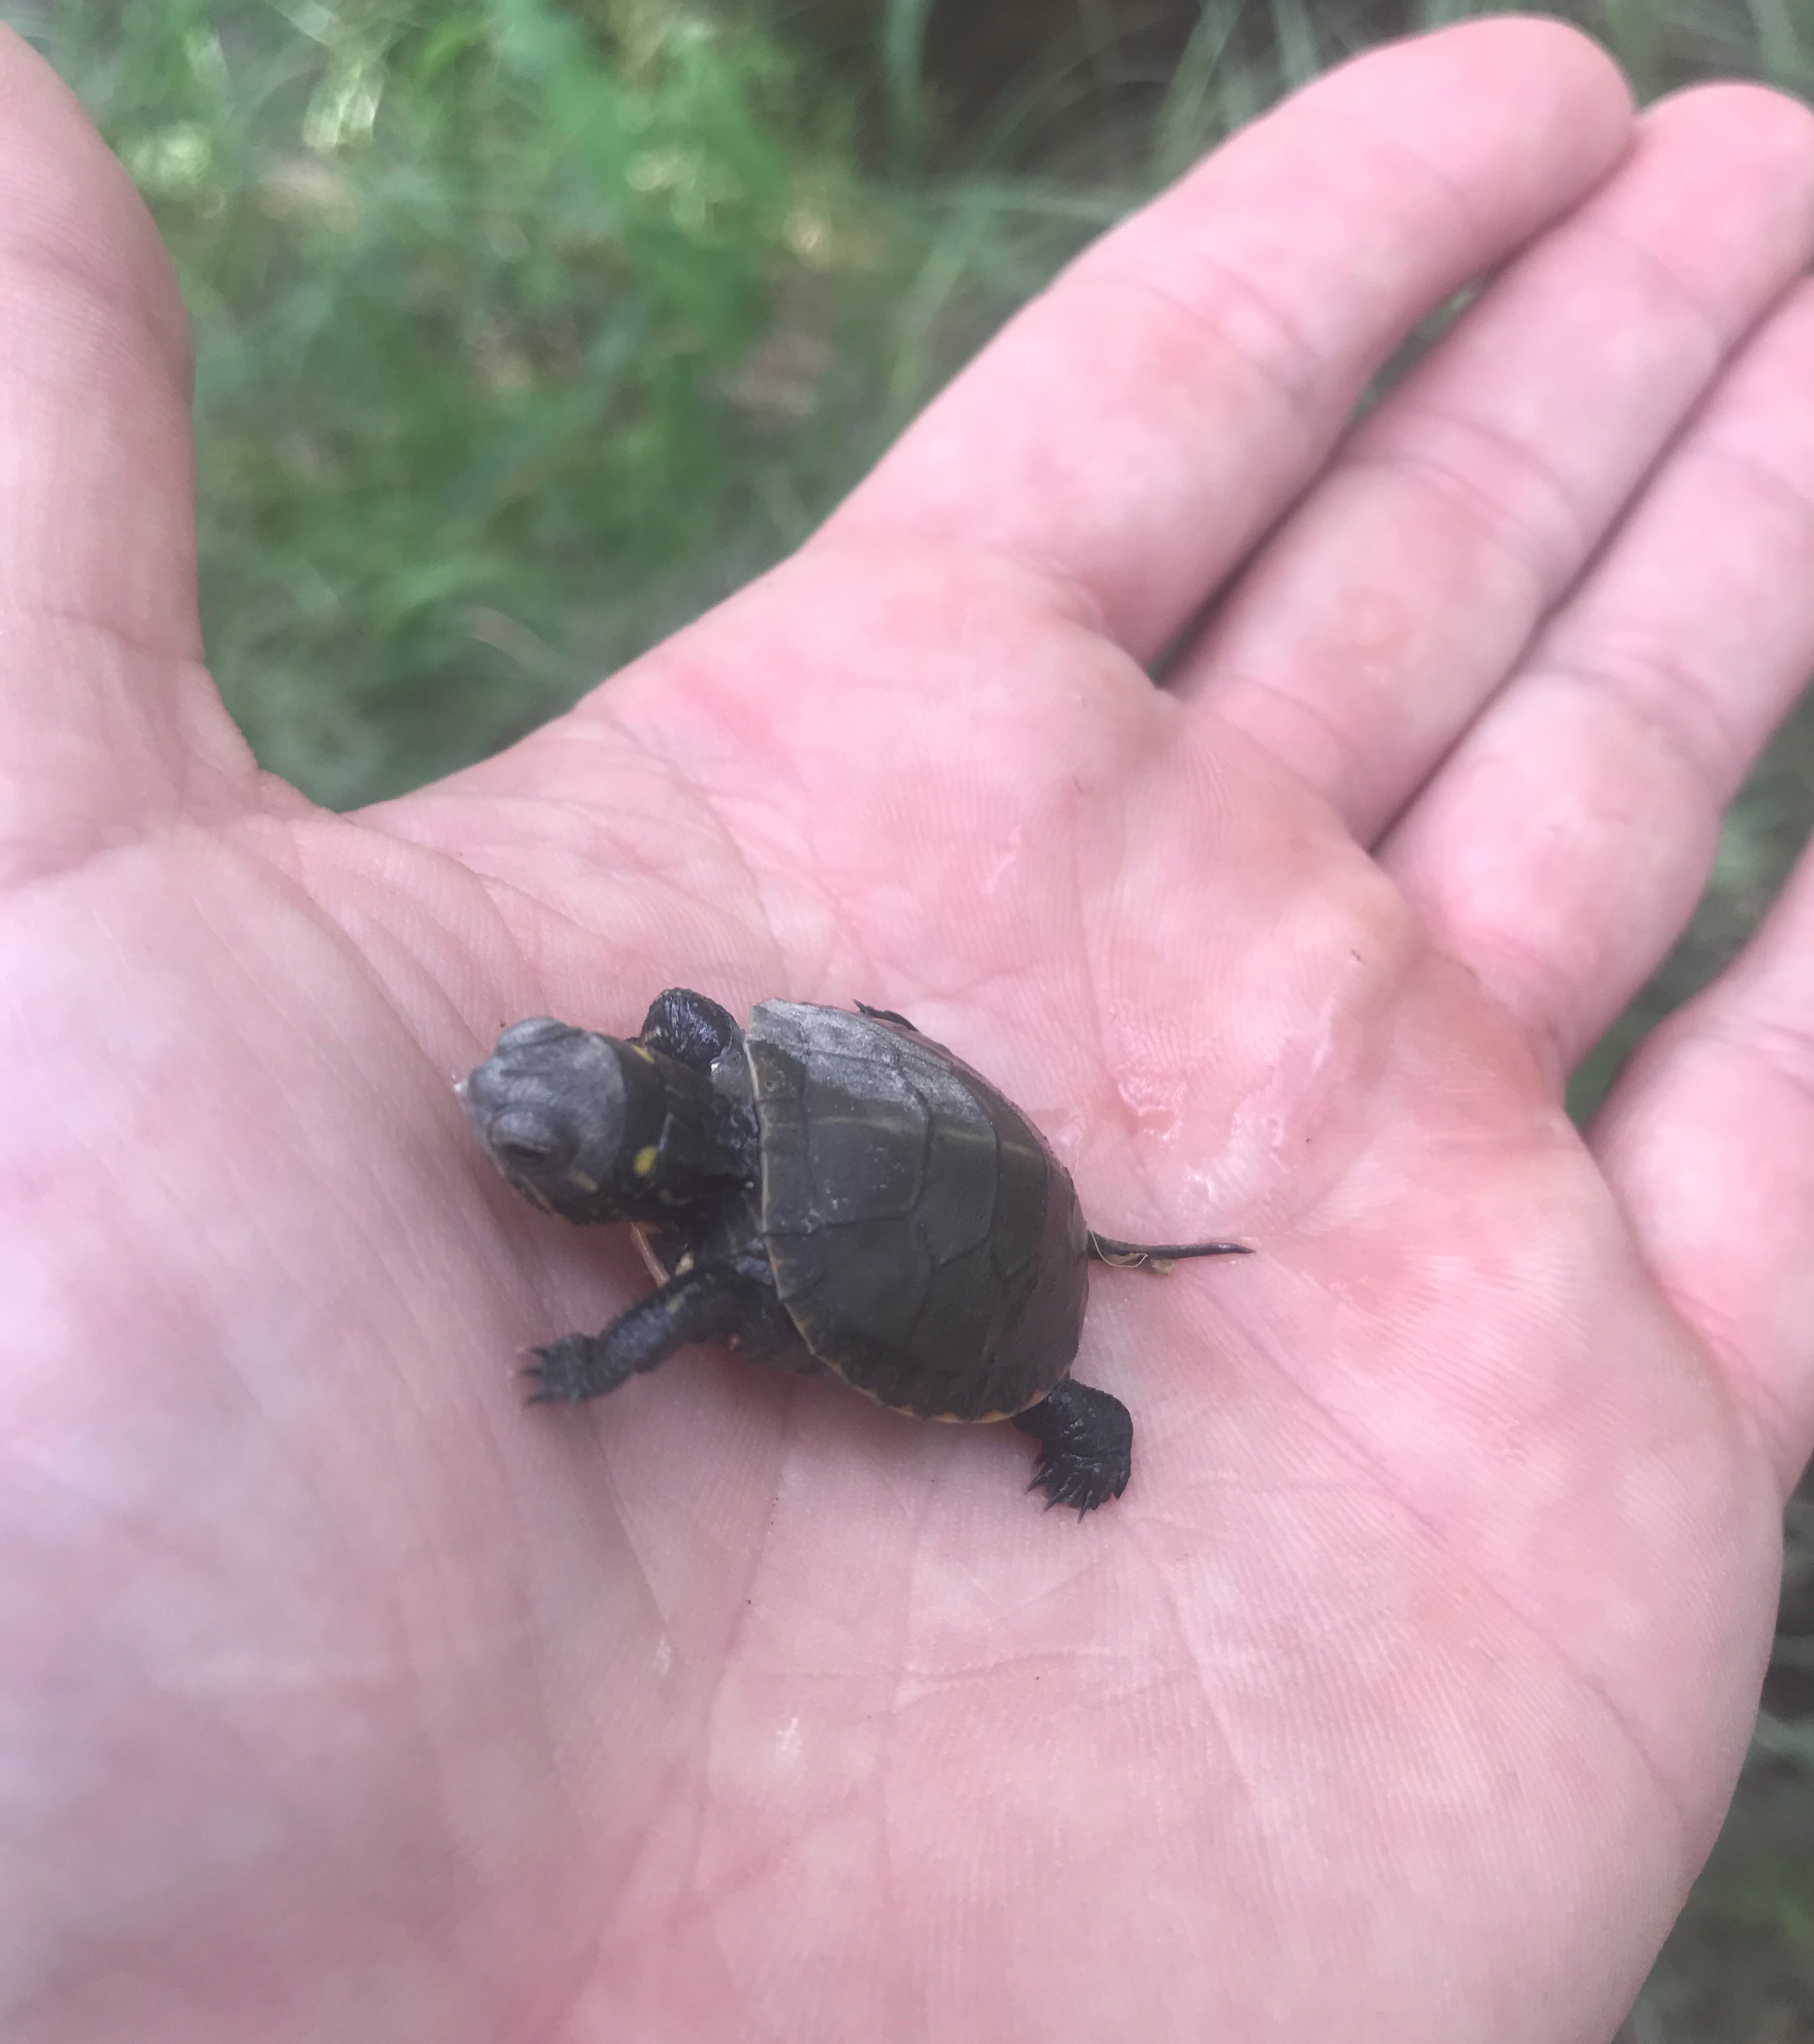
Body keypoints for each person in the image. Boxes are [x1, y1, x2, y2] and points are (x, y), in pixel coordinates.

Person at [5, 16, 1812, 2041]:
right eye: (548, 1102)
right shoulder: (720, 1079)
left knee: (1053, 1380)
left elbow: (696, 1300)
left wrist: (603, 1360)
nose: (521, 1105)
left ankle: (1072, 1408)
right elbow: (713, 1073)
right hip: (924, 1146)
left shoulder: (727, 1257)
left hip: (966, 1244)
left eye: (543, 1132)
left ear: (612, 1169)